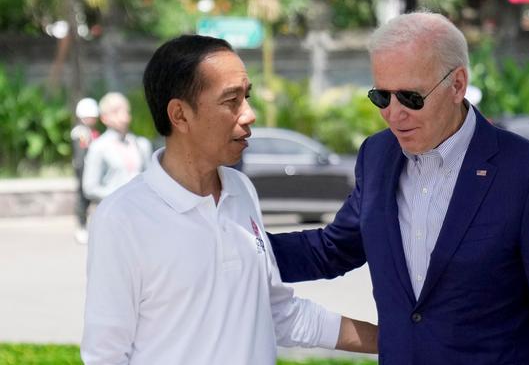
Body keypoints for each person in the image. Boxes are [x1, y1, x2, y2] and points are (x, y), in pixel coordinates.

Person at [268, 12, 529, 364]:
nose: (393, 114)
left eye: (410, 97)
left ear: (457, 85)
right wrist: (234, 247)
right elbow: (333, 249)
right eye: (381, 97)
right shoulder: (377, 156)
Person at [81, 35, 377, 364]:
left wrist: (393, 339)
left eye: (246, 97)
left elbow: (278, 313)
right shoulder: (121, 218)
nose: (249, 114)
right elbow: (104, 356)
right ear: (179, 115)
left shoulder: (240, 190)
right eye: (231, 101)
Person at [82, 92, 152, 202]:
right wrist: (121, 197)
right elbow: (90, 188)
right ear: (104, 118)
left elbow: (150, 181)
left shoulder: (142, 144)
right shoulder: (98, 147)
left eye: (125, 110)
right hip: (112, 213)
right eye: (115, 111)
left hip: (140, 212)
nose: (122, 115)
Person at [70, 97, 100, 244]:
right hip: (83, 169)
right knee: (82, 199)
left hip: (91, 169)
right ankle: (81, 227)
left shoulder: (91, 131)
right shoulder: (80, 132)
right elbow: (81, 154)